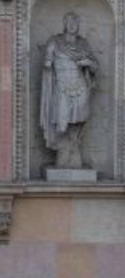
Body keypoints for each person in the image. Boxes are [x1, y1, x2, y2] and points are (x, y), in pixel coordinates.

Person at [40, 11, 99, 171]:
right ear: (64, 24)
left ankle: (73, 148)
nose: (72, 25)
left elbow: (95, 66)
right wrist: (48, 61)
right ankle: (64, 149)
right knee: (61, 122)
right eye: (69, 22)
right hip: (62, 87)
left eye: (75, 22)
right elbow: (47, 64)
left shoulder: (83, 44)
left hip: (80, 87)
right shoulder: (55, 42)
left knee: (80, 119)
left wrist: (87, 62)